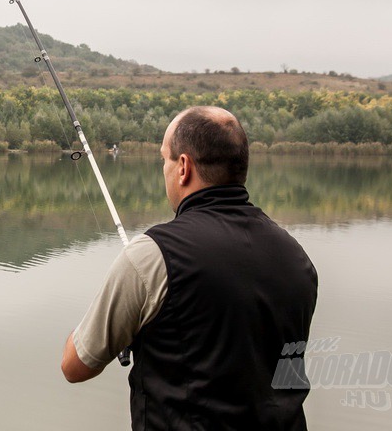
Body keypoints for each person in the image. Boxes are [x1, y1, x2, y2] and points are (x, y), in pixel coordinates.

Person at [60, 106, 319, 430]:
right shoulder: (296, 257)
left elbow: (75, 365)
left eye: (164, 159)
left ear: (183, 167)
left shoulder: (151, 256)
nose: (164, 169)